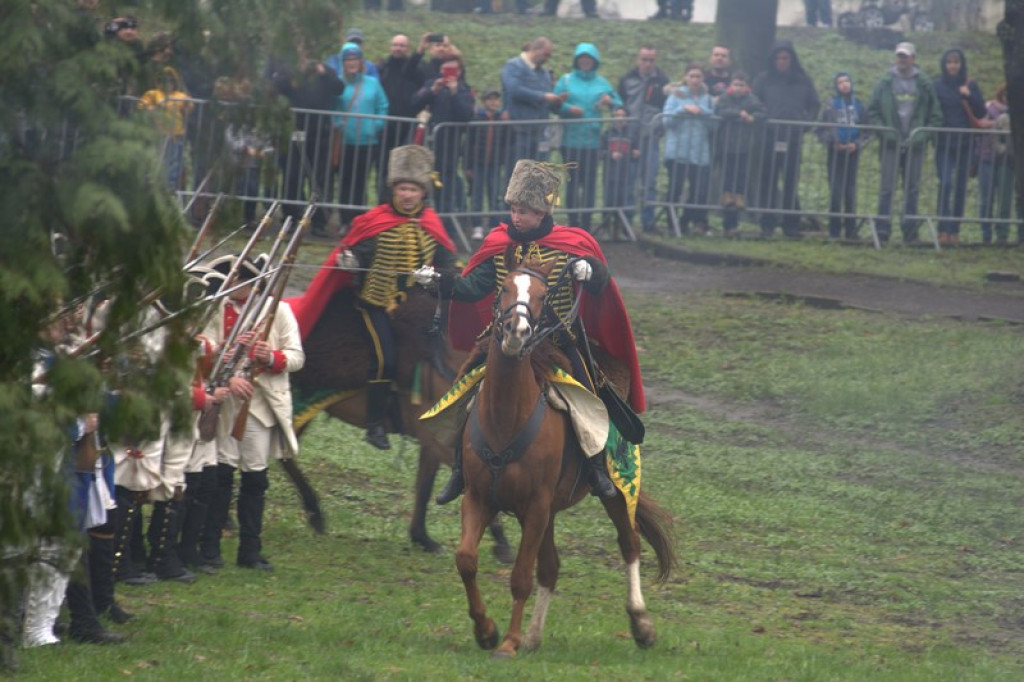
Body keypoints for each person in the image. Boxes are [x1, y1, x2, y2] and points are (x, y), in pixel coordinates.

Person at [427, 160, 646, 505]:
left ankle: (595, 468)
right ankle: (459, 469)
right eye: (514, 209)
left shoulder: (571, 244)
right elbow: (472, 287)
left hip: (557, 339)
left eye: (525, 211)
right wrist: (441, 282)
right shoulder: (498, 244)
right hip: (503, 339)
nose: (517, 217)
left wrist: (592, 273)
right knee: (464, 391)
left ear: (543, 212)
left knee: (587, 396)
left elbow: (601, 284)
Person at [317, 146, 457, 449]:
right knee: (386, 360)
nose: (407, 195)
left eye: (413, 189)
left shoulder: (431, 224)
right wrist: (351, 261)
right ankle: (374, 423)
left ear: (423, 192)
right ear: (393, 189)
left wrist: (433, 277)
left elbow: (448, 266)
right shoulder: (375, 222)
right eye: (402, 188)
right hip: (375, 305)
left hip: (415, 309)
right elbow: (356, 256)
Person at [200, 255, 305, 571]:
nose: (230, 283)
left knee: (255, 477)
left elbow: (296, 356)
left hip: (259, 405)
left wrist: (269, 356)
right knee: (220, 475)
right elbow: (202, 350)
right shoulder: (216, 308)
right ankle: (209, 550)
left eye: (237, 278)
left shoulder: (279, 311)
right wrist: (226, 368)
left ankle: (249, 551)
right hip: (224, 401)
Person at [868, 42, 942, 244]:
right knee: (886, 188)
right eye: (899, 56)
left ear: (913, 58)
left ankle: (909, 231)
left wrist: (921, 135)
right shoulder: (884, 82)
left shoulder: (925, 84)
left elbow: (935, 116)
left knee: (912, 188)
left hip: (914, 145)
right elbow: (873, 110)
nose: (902, 60)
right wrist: (886, 132)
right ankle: (883, 229)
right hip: (891, 143)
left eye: (906, 56)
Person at [267, 54, 344, 236]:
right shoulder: (290, 71)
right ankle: (290, 218)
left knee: (321, 180)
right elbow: (277, 87)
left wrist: (324, 73)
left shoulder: (326, 71)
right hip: (295, 130)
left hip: (321, 133)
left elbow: (339, 88)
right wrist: (294, 72)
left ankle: (319, 222)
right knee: (292, 176)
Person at [752, 41, 820, 238]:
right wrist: (762, 120)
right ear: (772, 60)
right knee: (768, 181)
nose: (781, 62)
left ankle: (791, 224)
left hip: (793, 137)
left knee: (791, 181)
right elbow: (755, 102)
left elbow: (814, 105)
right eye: (778, 58)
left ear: (791, 60)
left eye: (785, 58)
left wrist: (805, 124)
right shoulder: (763, 80)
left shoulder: (803, 80)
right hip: (768, 137)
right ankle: (767, 223)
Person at [553, 42, 622, 233]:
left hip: (592, 142)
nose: (585, 62)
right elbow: (554, 103)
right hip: (570, 142)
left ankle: (586, 223)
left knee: (590, 183)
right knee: (573, 183)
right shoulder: (566, 80)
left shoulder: (602, 83)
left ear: (594, 62)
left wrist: (611, 102)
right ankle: (574, 222)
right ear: (576, 61)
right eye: (582, 59)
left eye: (589, 59)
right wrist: (568, 109)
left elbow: (619, 104)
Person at [411, 52, 475, 240]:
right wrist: (432, 91)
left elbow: (466, 116)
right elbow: (414, 103)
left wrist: (455, 92)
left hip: (450, 148)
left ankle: (444, 230)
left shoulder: (464, 90)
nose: (449, 74)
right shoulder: (432, 85)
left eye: (454, 69)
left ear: (460, 71)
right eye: (445, 69)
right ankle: (420, 225)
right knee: (422, 185)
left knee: (445, 189)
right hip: (427, 147)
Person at [331, 42, 389, 229]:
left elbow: (383, 107)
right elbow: (332, 106)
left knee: (361, 181)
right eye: (348, 60)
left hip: (368, 141)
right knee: (345, 180)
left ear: (361, 61)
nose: (352, 63)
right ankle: (345, 220)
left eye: (355, 59)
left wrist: (376, 125)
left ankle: (359, 220)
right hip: (345, 141)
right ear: (343, 62)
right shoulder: (338, 83)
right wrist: (337, 122)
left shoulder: (372, 83)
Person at [932, 48, 985, 246]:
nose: (952, 66)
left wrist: (969, 95)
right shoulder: (936, 85)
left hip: (965, 144)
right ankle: (942, 228)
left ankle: (955, 230)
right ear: (944, 65)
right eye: (949, 62)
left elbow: (981, 112)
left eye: (956, 62)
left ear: (961, 64)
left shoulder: (970, 85)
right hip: (944, 143)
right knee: (945, 183)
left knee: (960, 188)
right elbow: (933, 110)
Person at [617, 45, 669, 233]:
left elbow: (666, 108)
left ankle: (648, 221)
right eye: (644, 59)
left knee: (650, 182)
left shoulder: (662, 81)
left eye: (651, 60)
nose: (647, 63)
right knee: (629, 181)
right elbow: (619, 103)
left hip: (650, 139)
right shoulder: (627, 79)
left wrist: (660, 128)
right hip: (629, 138)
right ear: (638, 59)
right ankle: (627, 221)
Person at [816, 72, 872, 241]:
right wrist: (832, 143)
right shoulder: (830, 106)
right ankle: (834, 230)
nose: (844, 85)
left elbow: (868, 131)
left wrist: (857, 144)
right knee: (835, 191)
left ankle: (850, 230)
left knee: (850, 192)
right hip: (835, 153)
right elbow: (820, 130)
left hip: (853, 152)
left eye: (847, 81)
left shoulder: (859, 105)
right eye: (840, 82)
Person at [663, 63, 714, 235]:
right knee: (675, 189)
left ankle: (685, 221)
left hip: (699, 153)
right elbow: (666, 121)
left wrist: (702, 111)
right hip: (677, 152)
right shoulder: (675, 96)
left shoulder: (707, 98)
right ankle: (671, 223)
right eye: (691, 76)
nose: (694, 80)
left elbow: (714, 125)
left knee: (698, 190)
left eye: (698, 76)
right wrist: (682, 110)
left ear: (703, 79)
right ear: (685, 77)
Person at [501, 37, 563, 175]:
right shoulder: (513, 66)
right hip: (518, 130)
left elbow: (548, 97)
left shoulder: (545, 73)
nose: (547, 58)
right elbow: (514, 90)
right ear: (535, 49)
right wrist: (543, 96)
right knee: (517, 175)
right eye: (546, 54)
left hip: (540, 132)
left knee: (537, 175)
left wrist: (557, 101)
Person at [715, 71, 765, 237]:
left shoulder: (752, 99)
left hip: (744, 145)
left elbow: (762, 112)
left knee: (742, 173)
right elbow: (721, 111)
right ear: (731, 85)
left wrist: (752, 117)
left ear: (747, 87)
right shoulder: (724, 98)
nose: (738, 88)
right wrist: (739, 114)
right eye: (735, 84)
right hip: (727, 144)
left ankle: (740, 195)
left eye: (741, 85)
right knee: (728, 172)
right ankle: (727, 194)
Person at [376, 34, 424, 201]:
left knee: (404, 168)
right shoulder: (383, 68)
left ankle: (402, 203)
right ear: (391, 47)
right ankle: (382, 203)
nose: (398, 48)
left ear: (407, 48)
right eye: (395, 45)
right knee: (383, 167)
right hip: (386, 124)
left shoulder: (416, 69)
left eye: (402, 45)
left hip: (407, 124)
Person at [137, 64, 193, 191]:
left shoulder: (179, 95)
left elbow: (190, 107)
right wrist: (153, 108)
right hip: (159, 134)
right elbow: (141, 105)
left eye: (170, 80)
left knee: (174, 162)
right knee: (159, 160)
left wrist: (186, 105)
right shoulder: (154, 94)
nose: (167, 83)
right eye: (164, 80)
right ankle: (153, 185)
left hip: (176, 135)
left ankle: (169, 188)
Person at [466, 90, 510, 240]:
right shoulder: (477, 119)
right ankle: (477, 226)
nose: (493, 103)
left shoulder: (502, 120)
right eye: (489, 100)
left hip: (495, 163)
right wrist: (468, 166)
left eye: (495, 100)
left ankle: (493, 225)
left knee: (494, 194)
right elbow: (468, 144)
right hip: (478, 163)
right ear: (484, 102)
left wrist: (507, 123)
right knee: (477, 196)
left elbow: (509, 139)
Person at [977, 85, 1017, 245]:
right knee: (986, 199)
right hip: (989, 158)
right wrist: (1003, 150)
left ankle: (1002, 235)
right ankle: (986, 235)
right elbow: (993, 137)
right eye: (1005, 94)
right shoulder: (991, 109)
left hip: (1008, 163)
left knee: (1004, 200)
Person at [600, 106, 640, 236]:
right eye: (617, 115)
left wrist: (636, 154)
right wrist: (610, 155)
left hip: (625, 174)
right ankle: (605, 227)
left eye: (623, 116)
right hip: (610, 174)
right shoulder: (607, 134)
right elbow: (600, 152)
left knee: (622, 201)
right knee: (608, 201)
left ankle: (620, 229)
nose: (620, 118)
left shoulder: (632, 136)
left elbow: (636, 154)